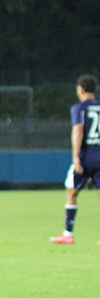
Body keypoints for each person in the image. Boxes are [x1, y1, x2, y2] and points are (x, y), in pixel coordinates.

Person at [50, 74, 100, 244]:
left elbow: (78, 130)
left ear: (80, 90)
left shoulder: (79, 108)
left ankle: (68, 233)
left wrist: (76, 157)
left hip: (85, 157)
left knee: (71, 191)